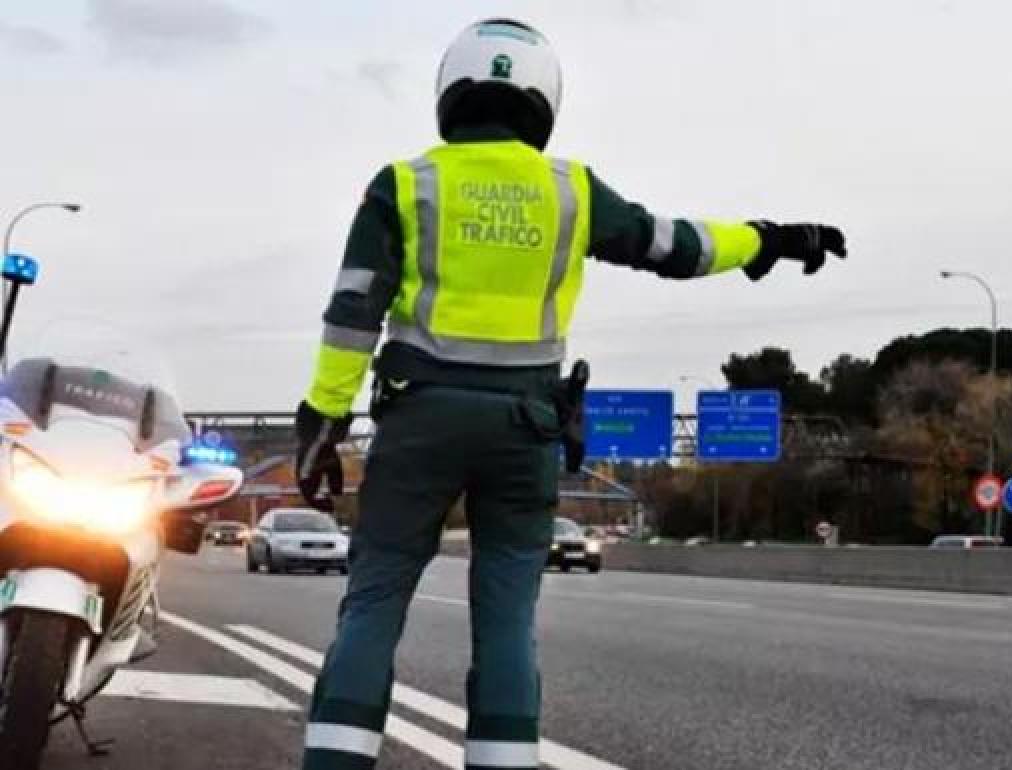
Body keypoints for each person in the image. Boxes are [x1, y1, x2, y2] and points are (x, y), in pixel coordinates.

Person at [294, 18, 847, 770]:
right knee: (506, 620)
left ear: (450, 93)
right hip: (526, 431)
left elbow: (354, 310)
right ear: (543, 99)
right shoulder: (572, 192)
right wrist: (768, 240)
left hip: (419, 422)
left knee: (375, 601)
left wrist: (323, 421)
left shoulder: (405, 184)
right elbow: (673, 244)